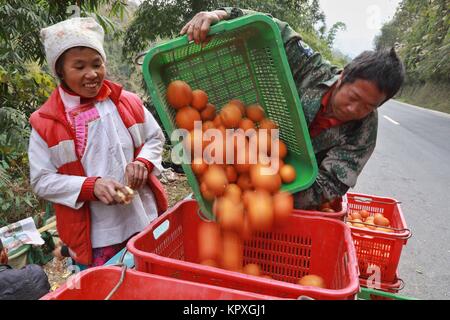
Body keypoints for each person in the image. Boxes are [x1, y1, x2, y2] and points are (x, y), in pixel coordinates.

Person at [180, 8, 405, 209]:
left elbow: (329, 184)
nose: (354, 109)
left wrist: (268, 195)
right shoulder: (312, 70)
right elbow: (272, 29)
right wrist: (218, 15)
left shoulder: (363, 133)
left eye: (368, 106)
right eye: (354, 97)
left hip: (290, 192)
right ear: (343, 76)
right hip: (251, 149)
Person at [28, 17, 168, 269]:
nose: (91, 74)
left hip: (144, 216)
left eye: (97, 64)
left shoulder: (126, 101)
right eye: (79, 67)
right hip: (97, 237)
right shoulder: (46, 122)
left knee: (152, 283)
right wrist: (91, 187)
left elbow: (155, 137)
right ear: (60, 71)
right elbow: (41, 180)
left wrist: (143, 163)